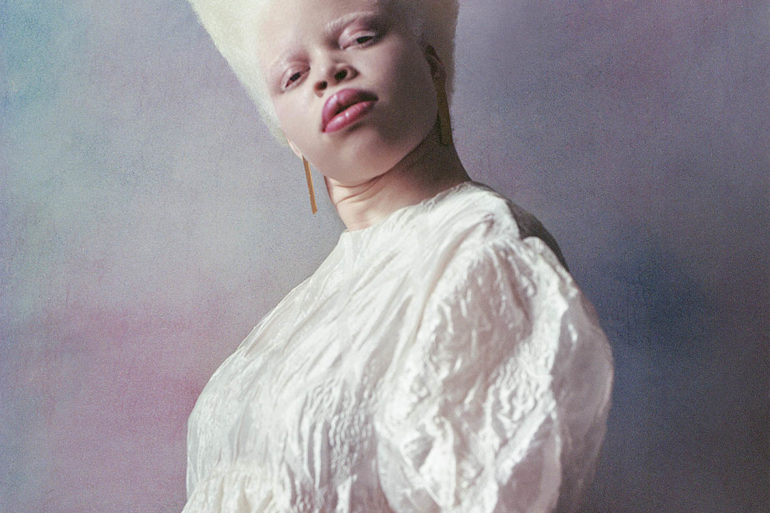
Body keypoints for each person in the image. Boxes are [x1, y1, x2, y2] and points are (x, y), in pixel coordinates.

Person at [181, 0, 613, 512]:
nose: (328, 72)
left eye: (360, 38)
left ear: (431, 64)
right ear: (288, 137)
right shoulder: (308, 302)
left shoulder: (481, 249)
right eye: (293, 76)